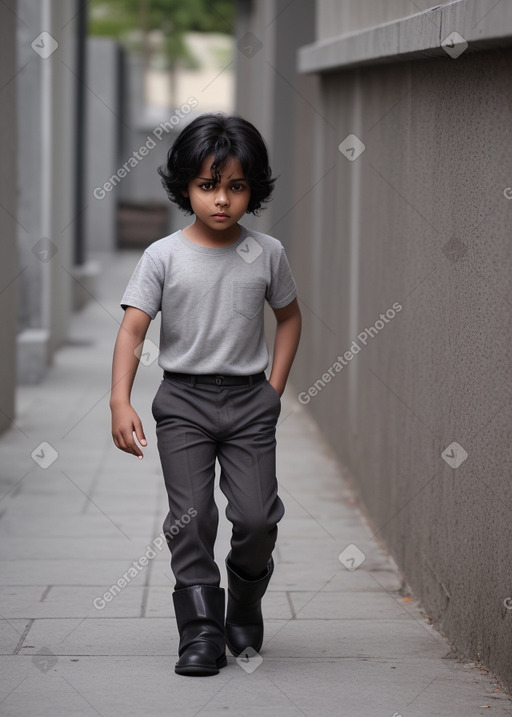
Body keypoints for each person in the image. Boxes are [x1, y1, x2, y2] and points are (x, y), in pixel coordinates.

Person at [109, 113, 301, 677]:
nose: (221, 200)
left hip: (249, 404)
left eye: (236, 186)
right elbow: (132, 330)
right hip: (184, 404)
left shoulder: (267, 253)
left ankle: (243, 605)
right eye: (208, 185)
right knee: (191, 519)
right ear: (186, 186)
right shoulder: (163, 256)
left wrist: (274, 390)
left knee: (257, 517)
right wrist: (121, 400)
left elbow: (289, 319)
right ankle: (199, 632)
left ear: (253, 189)